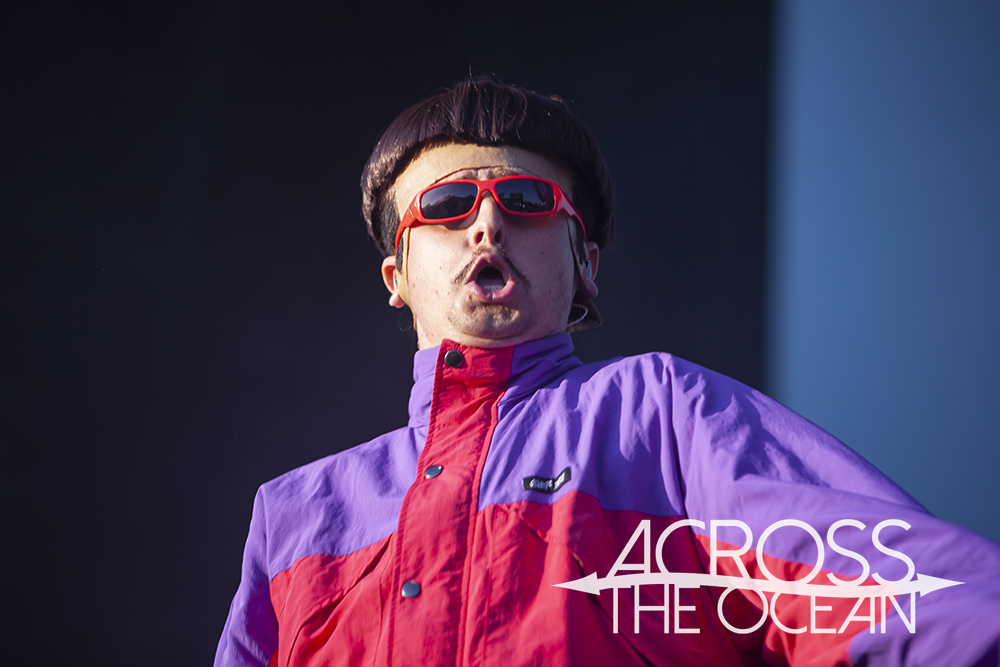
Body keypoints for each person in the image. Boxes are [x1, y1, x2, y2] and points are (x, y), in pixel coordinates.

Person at [215, 78, 1000, 667]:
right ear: (397, 274)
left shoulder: (663, 415)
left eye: (526, 199)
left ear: (585, 264)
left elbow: (907, 595)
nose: (486, 221)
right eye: (448, 203)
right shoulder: (293, 517)